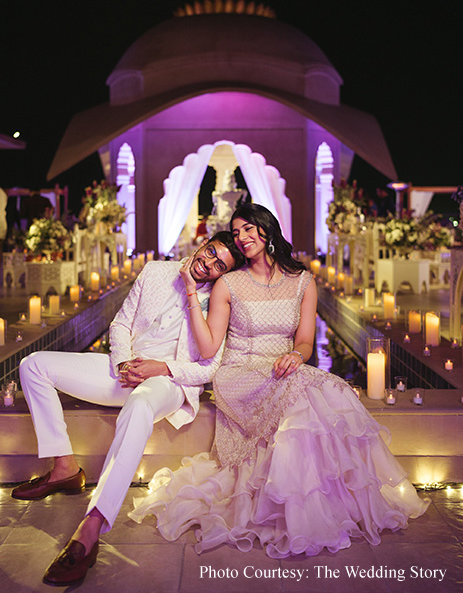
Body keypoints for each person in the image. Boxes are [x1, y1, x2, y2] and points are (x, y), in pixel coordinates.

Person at [128, 203, 429, 558]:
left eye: (247, 229)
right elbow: (209, 346)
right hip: (239, 375)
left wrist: (296, 355)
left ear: (266, 230)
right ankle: (304, 509)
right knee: (307, 392)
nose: (241, 238)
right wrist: (192, 292)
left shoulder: (303, 281)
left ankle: (320, 506)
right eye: (236, 232)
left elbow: (304, 342)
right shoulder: (228, 283)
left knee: (327, 390)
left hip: (284, 369)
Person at [12, 232, 244, 586]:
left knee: (139, 405)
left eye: (219, 266)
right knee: (33, 365)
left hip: (167, 382)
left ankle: (91, 526)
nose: (209, 263)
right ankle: (64, 468)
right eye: (211, 252)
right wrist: (122, 363)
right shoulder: (154, 271)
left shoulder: (218, 299)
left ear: (221, 274)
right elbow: (120, 324)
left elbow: (209, 368)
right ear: (203, 243)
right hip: (123, 370)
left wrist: (161, 368)